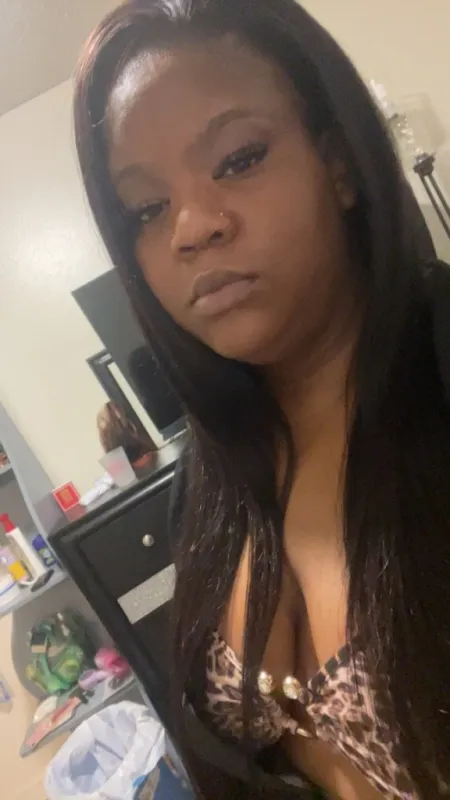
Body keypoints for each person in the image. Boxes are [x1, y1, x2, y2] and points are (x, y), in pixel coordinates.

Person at [73, 1, 450, 797]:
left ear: (337, 161)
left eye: (239, 158)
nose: (191, 228)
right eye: (147, 209)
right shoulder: (206, 484)